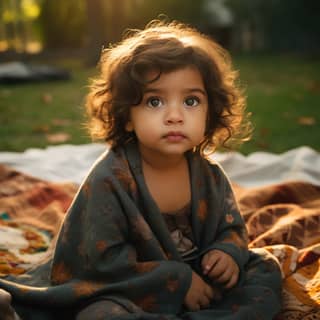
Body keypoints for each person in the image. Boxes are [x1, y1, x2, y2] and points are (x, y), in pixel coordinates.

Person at [0, 20, 282, 320]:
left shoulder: (210, 176)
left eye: (191, 100)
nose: (175, 115)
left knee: (265, 267)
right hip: (129, 288)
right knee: (100, 314)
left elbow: (231, 228)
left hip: (201, 281)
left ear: (209, 112)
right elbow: (102, 262)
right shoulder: (110, 179)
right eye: (155, 101)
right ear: (126, 117)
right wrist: (176, 281)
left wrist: (227, 254)